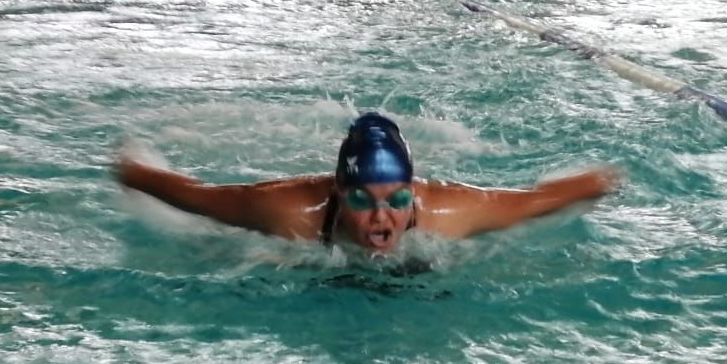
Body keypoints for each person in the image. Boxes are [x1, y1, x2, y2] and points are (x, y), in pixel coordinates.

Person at [114, 112, 618, 255]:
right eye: (362, 199)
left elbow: (537, 200)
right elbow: (200, 198)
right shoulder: (287, 212)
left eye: (397, 199)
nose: (382, 217)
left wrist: (599, 182)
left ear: (412, 192)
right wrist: (133, 171)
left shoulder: (451, 213)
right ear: (338, 193)